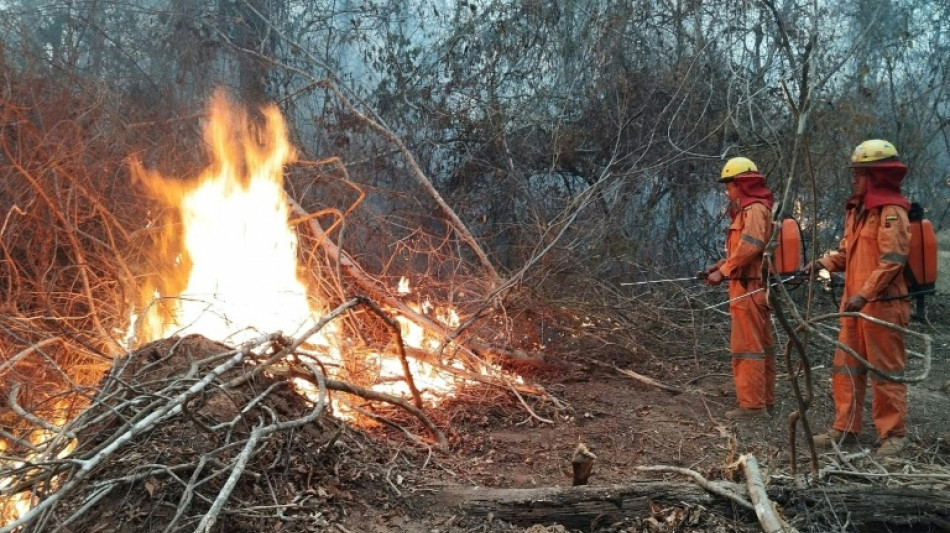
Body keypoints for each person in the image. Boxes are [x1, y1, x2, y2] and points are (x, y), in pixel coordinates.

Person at [805, 139, 912, 456]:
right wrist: (822, 264)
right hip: (854, 306)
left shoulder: (892, 213)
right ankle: (845, 429)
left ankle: (893, 434)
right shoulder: (858, 211)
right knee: (846, 366)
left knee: (884, 370)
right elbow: (846, 253)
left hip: (882, 307)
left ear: (876, 176)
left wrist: (864, 294)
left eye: (859, 173)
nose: (854, 179)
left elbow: (892, 261)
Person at [702, 157, 776, 420]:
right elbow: (742, 252)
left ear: (741, 183)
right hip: (747, 286)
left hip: (749, 289)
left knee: (748, 347)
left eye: (729, 185)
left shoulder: (754, 209)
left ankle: (753, 406)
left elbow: (752, 246)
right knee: (758, 346)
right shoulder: (748, 210)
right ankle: (763, 399)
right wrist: (719, 265)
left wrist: (724, 272)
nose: (727, 191)